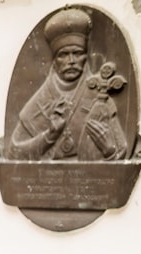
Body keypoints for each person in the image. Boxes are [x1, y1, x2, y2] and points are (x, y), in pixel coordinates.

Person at [7, 7, 128, 161]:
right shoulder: (39, 102)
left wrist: (109, 149)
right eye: (63, 55)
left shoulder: (100, 98)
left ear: (86, 57)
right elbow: (14, 154)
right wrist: (49, 136)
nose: (71, 61)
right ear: (54, 60)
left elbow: (122, 151)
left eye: (77, 53)